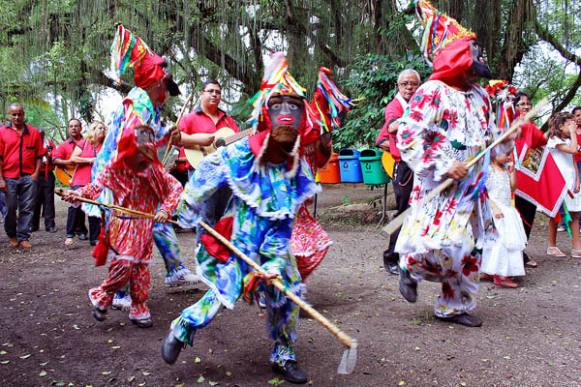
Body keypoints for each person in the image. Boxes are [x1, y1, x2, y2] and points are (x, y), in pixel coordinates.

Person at [161, 53, 349, 384]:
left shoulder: (296, 168)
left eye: (294, 107)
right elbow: (207, 173)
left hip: (274, 243)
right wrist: (187, 205)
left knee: (287, 289)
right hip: (241, 240)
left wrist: (275, 261)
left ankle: (284, 353)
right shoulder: (243, 151)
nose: (286, 114)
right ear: (265, 112)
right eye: (279, 106)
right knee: (225, 288)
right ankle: (184, 325)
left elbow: (283, 224)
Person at [395, 0, 514, 327]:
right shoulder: (432, 91)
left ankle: (454, 306)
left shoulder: (481, 96)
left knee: (470, 250)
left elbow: (487, 135)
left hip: (473, 188)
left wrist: (503, 140)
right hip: (440, 186)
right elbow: (407, 134)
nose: (479, 59)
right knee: (443, 243)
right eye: (472, 52)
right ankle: (410, 266)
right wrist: (444, 164)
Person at [90, 25, 196, 307]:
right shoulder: (138, 104)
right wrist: (163, 141)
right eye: (165, 86)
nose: (167, 93)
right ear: (156, 82)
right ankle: (121, 293)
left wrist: (166, 136)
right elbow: (134, 143)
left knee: (149, 225)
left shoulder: (148, 105)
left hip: (136, 178)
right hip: (121, 179)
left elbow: (146, 142)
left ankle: (170, 272)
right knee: (128, 234)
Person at [62, 125, 183, 328]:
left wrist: (165, 210)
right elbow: (95, 187)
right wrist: (77, 194)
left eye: (147, 147)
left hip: (145, 224)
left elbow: (175, 187)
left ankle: (139, 307)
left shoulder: (154, 169)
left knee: (141, 267)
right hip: (123, 223)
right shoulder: (114, 167)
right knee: (125, 262)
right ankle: (102, 294)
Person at [375, 68, 421, 275]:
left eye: (413, 84)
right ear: (398, 86)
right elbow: (390, 129)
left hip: (422, 165)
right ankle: (390, 257)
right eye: (405, 84)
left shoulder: (421, 104)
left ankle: (413, 256)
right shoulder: (395, 106)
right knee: (404, 212)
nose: (410, 87)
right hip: (404, 168)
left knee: (420, 211)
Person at [176, 80, 240, 226]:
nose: (214, 94)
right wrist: (198, 139)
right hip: (200, 171)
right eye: (210, 91)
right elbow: (175, 138)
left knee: (221, 217)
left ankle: (215, 248)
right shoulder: (190, 118)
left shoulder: (229, 121)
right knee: (205, 218)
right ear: (201, 94)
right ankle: (203, 248)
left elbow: (237, 145)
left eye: (218, 92)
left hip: (224, 173)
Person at [0, 104, 44, 249]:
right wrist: (0, 179)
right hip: (8, 177)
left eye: (19, 114)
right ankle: (12, 234)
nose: (17, 117)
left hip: (29, 177)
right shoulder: (2, 132)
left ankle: (23, 237)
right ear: (9, 115)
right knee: (10, 208)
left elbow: (39, 155)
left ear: (24, 114)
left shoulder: (34, 132)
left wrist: (36, 174)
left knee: (27, 208)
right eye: (14, 114)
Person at [481, 149, 526, 287]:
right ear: (494, 154)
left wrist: (512, 173)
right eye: (506, 154)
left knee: (506, 241)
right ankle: (499, 273)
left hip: (507, 210)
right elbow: (483, 191)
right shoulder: (488, 171)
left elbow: (513, 188)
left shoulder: (505, 170)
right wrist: (493, 207)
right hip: (496, 210)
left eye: (510, 154)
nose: (509, 157)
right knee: (498, 243)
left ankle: (493, 270)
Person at [513, 92, 546, 268]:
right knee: (513, 217)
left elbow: (542, 141)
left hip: (529, 180)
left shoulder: (531, 126)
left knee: (528, 214)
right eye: (521, 104)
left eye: (528, 104)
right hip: (510, 179)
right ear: (514, 106)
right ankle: (513, 254)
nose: (526, 107)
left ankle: (521, 250)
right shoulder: (508, 125)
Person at [546, 112, 581, 257]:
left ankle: (576, 247)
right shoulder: (554, 140)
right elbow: (574, 150)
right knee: (555, 215)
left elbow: (573, 160)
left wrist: (578, 180)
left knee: (574, 213)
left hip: (571, 179)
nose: (573, 125)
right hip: (558, 181)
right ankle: (552, 246)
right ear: (560, 126)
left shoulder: (568, 140)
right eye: (569, 123)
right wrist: (574, 133)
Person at [53, 119, 89, 245]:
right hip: (73, 177)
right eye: (71, 126)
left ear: (81, 128)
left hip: (87, 177)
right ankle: (74, 232)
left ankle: (82, 229)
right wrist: (69, 162)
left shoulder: (88, 142)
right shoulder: (63, 145)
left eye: (76, 126)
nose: (73, 128)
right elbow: (55, 160)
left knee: (86, 205)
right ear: (68, 129)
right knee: (75, 204)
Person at [70, 121, 106, 245]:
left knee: (94, 208)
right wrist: (89, 160)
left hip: (95, 182)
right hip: (80, 179)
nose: (102, 130)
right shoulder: (84, 143)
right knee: (76, 206)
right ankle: (70, 234)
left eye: (104, 128)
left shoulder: (105, 146)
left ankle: (94, 238)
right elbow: (73, 158)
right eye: (99, 128)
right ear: (93, 130)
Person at [31, 128, 57, 233]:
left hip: (48, 175)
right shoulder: (32, 142)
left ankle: (50, 225)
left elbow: (56, 155)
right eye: (39, 134)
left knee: (49, 200)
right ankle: (33, 225)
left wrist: (51, 156)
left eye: (42, 134)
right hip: (35, 175)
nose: (40, 136)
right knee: (35, 200)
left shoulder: (50, 143)